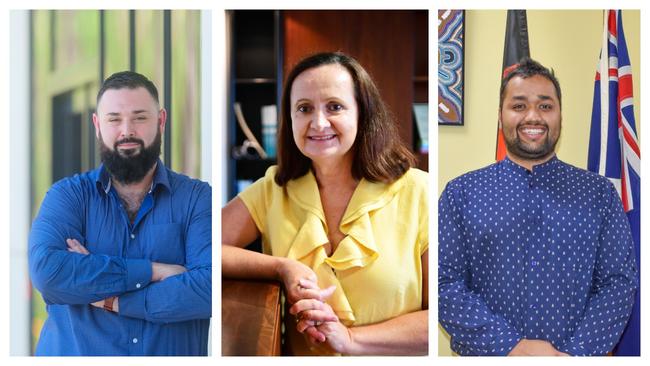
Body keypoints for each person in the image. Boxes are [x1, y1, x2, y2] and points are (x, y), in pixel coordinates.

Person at [222, 52, 428, 356]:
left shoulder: (419, 191)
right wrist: (282, 268)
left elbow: (443, 317)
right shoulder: (272, 189)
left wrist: (351, 339)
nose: (318, 123)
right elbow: (203, 247)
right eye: (304, 109)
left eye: (335, 106)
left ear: (362, 113)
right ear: (290, 118)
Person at [438, 57, 638, 356]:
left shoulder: (599, 195)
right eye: (519, 106)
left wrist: (573, 356)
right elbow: (444, 284)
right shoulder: (461, 194)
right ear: (500, 115)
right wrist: (511, 348)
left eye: (545, 106)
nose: (533, 116)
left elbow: (618, 283)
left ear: (560, 115)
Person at [28, 71, 212, 356]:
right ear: (97, 125)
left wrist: (112, 299)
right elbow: (49, 273)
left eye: (140, 117)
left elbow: (207, 289)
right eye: (114, 119)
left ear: (161, 121)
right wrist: (153, 271)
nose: (127, 130)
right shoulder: (67, 197)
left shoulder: (197, 199)